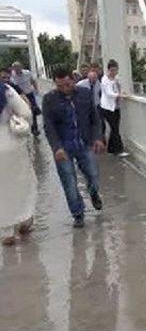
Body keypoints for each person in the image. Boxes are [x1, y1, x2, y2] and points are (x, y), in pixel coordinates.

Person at [42, 67, 105, 228]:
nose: (64, 89)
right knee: (69, 182)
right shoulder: (49, 99)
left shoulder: (84, 93)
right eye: (60, 86)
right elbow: (49, 127)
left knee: (94, 175)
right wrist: (56, 147)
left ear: (73, 80)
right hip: (64, 148)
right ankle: (78, 214)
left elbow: (95, 119)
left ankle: (93, 193)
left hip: (84, 143)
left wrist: (97, 138)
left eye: (67, 84)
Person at [0, 82, 37, 246]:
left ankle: (6, 231)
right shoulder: (6, 90)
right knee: (21, 184)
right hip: (10, 144)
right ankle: (25, 220)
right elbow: (26, 113)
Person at [100, 59, 129, 157]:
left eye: (116, 70)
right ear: (108, 70)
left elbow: (118, 88)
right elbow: (109, 93)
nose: (114, 72)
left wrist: (121, 93)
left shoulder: (116, 79)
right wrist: (119, 95)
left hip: (116, 107)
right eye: (112, 70)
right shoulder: (105, 80)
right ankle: (118, 150)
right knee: (115, 128)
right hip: (108, 108)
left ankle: (111, 149)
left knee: (114, 128)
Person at [11, 61, 41, 136]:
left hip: (29, 94)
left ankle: (34, 129)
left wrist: (36, 89)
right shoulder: (12, 76)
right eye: (15, 68)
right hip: (19, 97)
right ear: (13, 69)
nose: (17, 70)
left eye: (18, 68)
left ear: (21, 67)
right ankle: (23, 128)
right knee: (21, 112)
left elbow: (33, 81)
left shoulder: (27, 73)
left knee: (33, 111)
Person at [77, 68, 105, 141]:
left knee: (101, 123)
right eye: (92, 78)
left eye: (95, 78)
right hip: (86, 107)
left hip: (96, 105)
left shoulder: (99, 84)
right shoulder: (81, 84)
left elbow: (102, 93)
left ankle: (101, 138)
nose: (94, 80)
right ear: (88, 77)